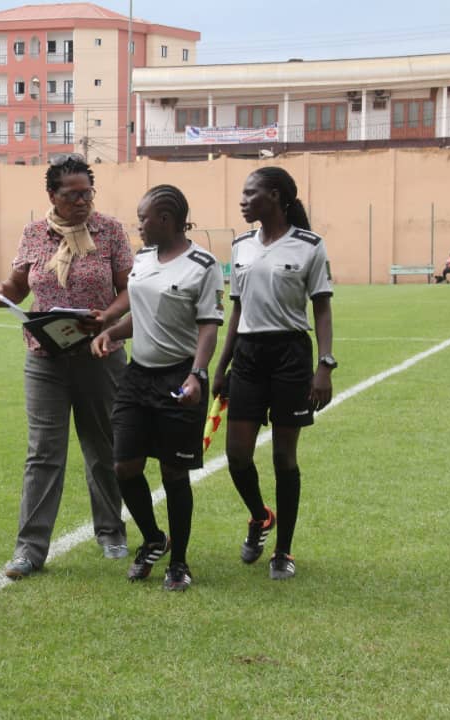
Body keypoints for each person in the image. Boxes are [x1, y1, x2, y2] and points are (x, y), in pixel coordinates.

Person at [0, 154, 131, 579]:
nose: (82, 202)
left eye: (87, 193)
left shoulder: (110, 232)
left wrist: (105, 317)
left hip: (100, 354)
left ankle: (110, 531)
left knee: (103, 448)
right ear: (52, 195)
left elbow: (129, 289)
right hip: (45, 358)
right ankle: (29, 551)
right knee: (43, 454)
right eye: (72, 195)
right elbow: (17, 284)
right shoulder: (33, 234)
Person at [92, 185, 223, 591]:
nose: (139, 225)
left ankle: (179, 563)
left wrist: (197, 374)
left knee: (173, 472)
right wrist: (113, 332)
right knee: (124, 466)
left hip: (178, 377)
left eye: (143, 218)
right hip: (137, 376)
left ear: (164, 220)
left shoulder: (203, 264)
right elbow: (142, 315)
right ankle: (153, 538)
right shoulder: (144, 259)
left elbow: (208, 326)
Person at [211, 166, 335, 581]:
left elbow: (321, 308)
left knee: (284, 457)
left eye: (251, 194)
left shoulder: (309, 246)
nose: (243, 200)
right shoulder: (241, 245)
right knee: (237, 455)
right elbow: (238, 309)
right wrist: (222, 364)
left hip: (290, 355)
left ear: (278, 197)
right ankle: (260, 516)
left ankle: (283, 552)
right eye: (242, 194)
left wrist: (324, 366)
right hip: (248, 354)